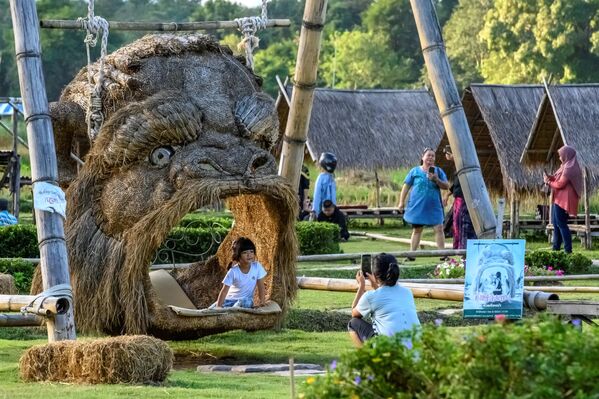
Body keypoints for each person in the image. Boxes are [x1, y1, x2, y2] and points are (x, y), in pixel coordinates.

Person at [348, 253, 420, 348]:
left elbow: (354, 312)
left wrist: (361, 286)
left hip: (390, 351)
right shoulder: (407, 292)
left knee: (353, 323)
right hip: (416, 350)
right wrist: (375, 284)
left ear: (374, 274)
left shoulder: (371, 296)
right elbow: (385, 296)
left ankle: (366, 360)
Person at [397, 148, 450, 261]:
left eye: (433, 156)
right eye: (428, 155)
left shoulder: (439, 171)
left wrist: (436, 180)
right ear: (422, 157)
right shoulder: (414, 171)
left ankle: (442, 254)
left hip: (434, 206)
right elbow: (406, 186)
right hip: (418, 206)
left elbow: (446, 186)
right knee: (417, 230)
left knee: (439, 228)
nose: (430, 158)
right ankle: (411, 255)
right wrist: (401, 202)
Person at [544, 145, 583, 253]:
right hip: (559, 199)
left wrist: (548, 182)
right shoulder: (565, 166)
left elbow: (561, 184)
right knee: (557, 224)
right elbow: (558, 178)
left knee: (561, 224)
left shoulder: (569, 168)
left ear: (566, 155)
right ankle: (556, 248)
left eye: (561, 156)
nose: (560, 158)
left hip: (563, 200)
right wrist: (551, 177)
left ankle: (568, 250)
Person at [212, 237, 266, 308]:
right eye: (245, 252)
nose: (249, 255)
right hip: (228, 300)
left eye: (251, 251)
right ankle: (227, 309)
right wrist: (218, 306)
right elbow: (224, 291)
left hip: (244, 301)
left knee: (246, 302)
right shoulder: (233, 271)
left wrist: (262, 303)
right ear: (238, 256)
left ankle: (232, 310)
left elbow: (261, 287)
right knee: (211, 310)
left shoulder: (257, 267)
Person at [443, 146, 477, 249]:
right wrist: (447, 195)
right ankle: (458, 248)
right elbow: (456, 185)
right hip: (458, 200)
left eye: (448, 154)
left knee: (463, 224)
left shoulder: (464, 164)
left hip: (464, 200)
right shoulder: (458, 167)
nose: (446, 156)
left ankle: (463, 248)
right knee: (456, 224)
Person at [312, 152, 337, 218]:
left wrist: (315, 211)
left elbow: (317, 196)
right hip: (329, 210)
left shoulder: (321, 178)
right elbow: (333, 198)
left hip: (323, 210)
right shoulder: (331, 179)